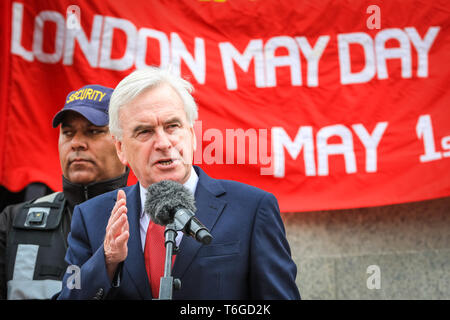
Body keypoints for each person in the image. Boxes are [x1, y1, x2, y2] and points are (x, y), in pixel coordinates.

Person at [58, 68, 300, 300]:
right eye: (144, 131)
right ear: (121, 148)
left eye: (172, 126)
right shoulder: (91, 217)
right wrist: (107, 260)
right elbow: (69, 294)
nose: (163, 142)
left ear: (192, 135)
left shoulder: (252, 209)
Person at [0, 85, 128, 299]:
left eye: (93, 131)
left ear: (123, 144)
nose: (76, 143)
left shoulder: (151, 224)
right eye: (68, 133)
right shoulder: (12, 220)